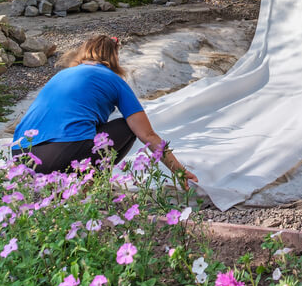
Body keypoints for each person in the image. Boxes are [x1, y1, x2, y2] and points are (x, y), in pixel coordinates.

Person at [11, 34, 197, 187]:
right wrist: (178, 170)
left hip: (21, 157)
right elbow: (147, 134)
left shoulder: (62, 75)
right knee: (127, 127)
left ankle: (64, 184)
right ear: (113, 58)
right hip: (59, 156)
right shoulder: (112, 79)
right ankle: (91, 186)